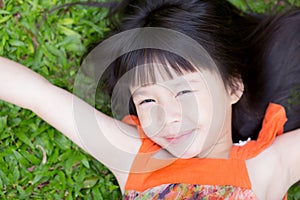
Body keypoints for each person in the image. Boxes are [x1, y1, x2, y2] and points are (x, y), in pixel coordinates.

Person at [0, 0, 300, 199]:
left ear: (233, 87)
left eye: (184, 92)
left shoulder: (267, 166)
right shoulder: (134, 156)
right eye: (147, 102)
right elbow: (36, 95)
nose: (168, 116)